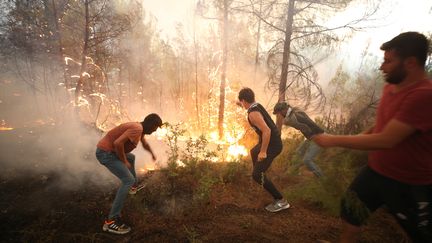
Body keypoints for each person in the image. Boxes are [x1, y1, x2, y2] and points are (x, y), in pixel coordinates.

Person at [314, 32, 432, 243]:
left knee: (421, 235)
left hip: (409, 183)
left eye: (388, 61)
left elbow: (387, 140)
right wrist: (362, 136)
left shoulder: (423, 95)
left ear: (411, 63)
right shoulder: (391, 87)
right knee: (351, 211)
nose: (381, 66)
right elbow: (383, 124)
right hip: (376, 171)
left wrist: (333, 140)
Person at [96, 113, 162, 234]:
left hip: (109, 151)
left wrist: (152, 153)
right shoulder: (137, 129)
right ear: (150, 124)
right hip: (106, 153)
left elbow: (145, 144)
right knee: (128, 179)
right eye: (154, 128)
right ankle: (111, 222)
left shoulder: (139, 128)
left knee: (131, 157)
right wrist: (123, 160)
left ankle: (133, 188)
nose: (154, 131)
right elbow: (118, 143)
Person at [238, 87, 290, 212]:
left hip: (273, 145)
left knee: (256, 173)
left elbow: (267, 131)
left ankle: (281, 200)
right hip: (272, 141)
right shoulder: (256, 105)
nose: (241, 104)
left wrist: (263, 151)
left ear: (244, 100)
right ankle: (260, 174)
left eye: (241, 102)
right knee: (253, 151)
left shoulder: (253, 113)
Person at [273, 102, 325, 177]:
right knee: (298, 152)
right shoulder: (295, 111)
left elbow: (290, 122)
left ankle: (321, 177)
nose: (279, 115)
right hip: (311, 137)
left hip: (318, 137)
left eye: (279, 113)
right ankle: (295, 172)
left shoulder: (294, 117)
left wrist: (320, 135)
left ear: (284, 110)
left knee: (307, 160)